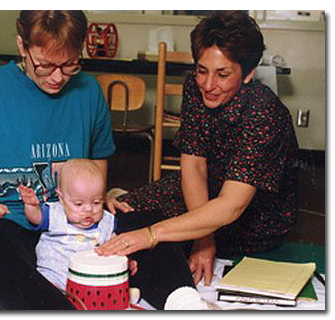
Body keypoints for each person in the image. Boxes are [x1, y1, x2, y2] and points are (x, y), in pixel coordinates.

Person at [0, 11, 115, 310]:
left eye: (69, 65)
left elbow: (98, 159)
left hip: (65, 226)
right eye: (45, 65)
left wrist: (98, 199)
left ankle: (185, 304)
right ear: (21, 46)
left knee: (148, 227)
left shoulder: (88, 91)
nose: (57, 77)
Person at [99, 10, 299, 288]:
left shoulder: (264, 112)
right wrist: (203, 239)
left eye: (223, 74)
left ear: (249, 73)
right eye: (202, 70)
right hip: (208, 189)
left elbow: (231, 206)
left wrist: (152, 234)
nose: (208, 85)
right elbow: (193, 165)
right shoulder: (195, 86)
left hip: (255, 214)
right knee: (123, 213)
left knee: (151, 240)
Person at [19, 158, 206, 310]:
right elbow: (35, 217)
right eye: (78, 204)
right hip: (53, 276)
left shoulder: (105, 222)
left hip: (91, 281)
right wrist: (31, 205)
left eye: (96, 202)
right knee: (43, 294)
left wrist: (126, 260)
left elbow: (118, 245)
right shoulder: (57, 213)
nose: (88, 211)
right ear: (61, 197)